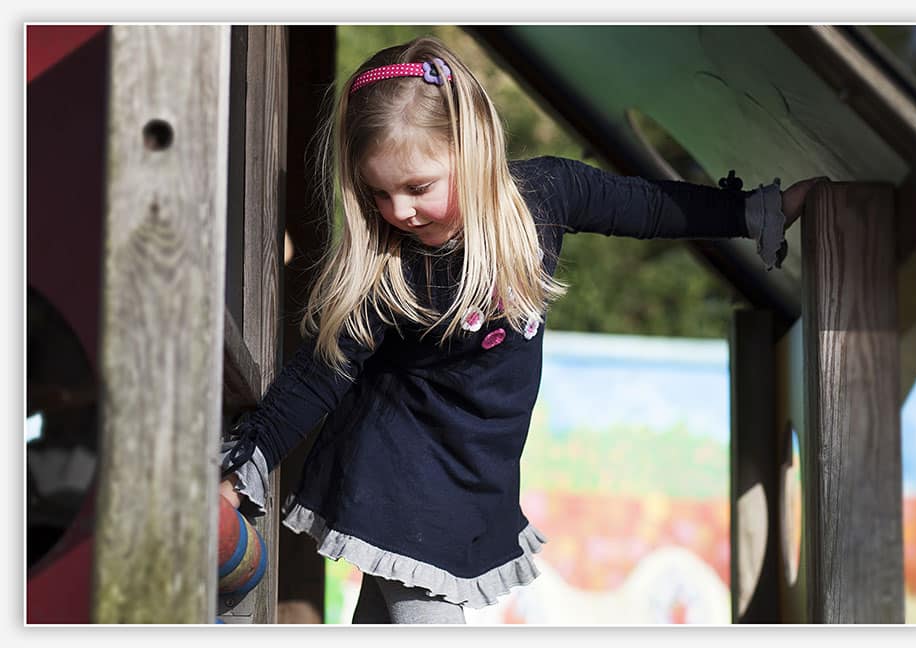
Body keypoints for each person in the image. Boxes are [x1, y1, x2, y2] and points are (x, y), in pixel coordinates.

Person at [218, 35, 823, 625]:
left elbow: (648, 207)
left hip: (470, 475)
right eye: (379, 193)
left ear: (473, 148)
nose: (399, 210)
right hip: (398, 475)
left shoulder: (548, 197)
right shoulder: (391, 270)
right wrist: (249, 459)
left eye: (417, 187)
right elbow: (323, 372)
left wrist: (750, 213)